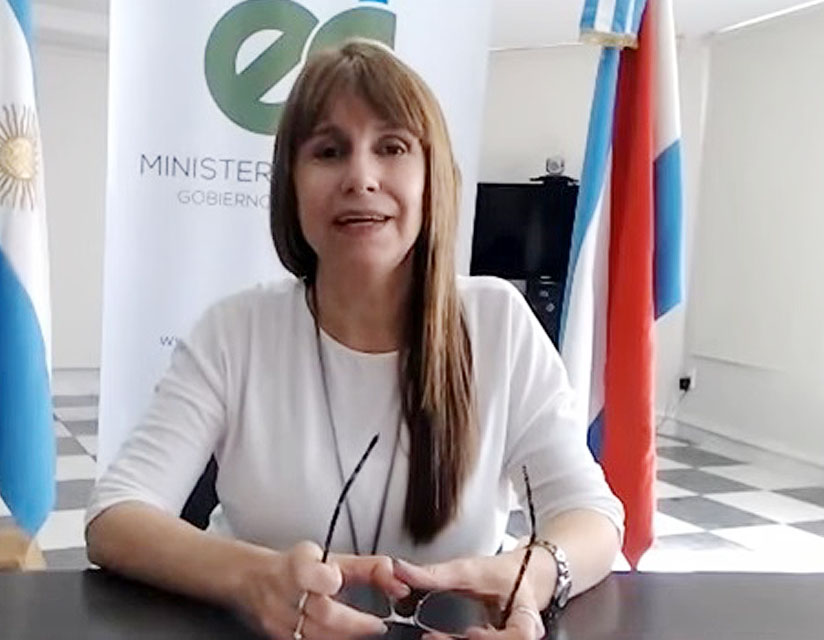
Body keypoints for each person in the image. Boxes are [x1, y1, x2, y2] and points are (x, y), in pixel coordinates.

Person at [85, 39, 624, 640]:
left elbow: (592, 516)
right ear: (291, 185)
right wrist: (253, 578)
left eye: (391, 147)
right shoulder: (235, 330)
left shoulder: (498, 323)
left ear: (432, 178)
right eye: (329, 151)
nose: (360, 178)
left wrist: (536, 576)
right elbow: (115, 516)